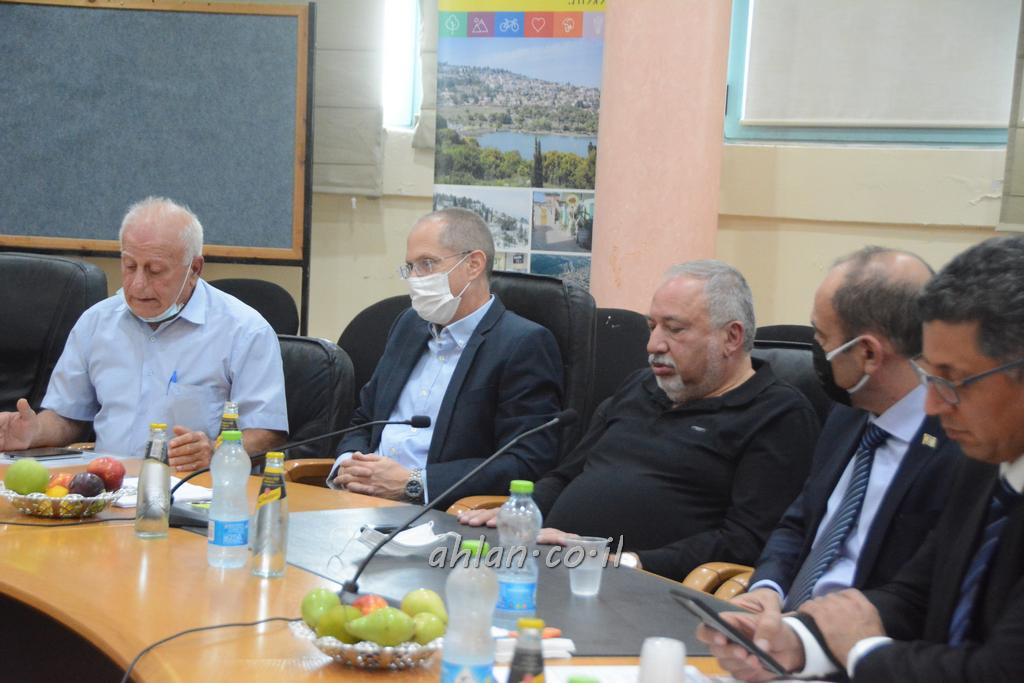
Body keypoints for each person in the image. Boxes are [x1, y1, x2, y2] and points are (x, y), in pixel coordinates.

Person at [702, 235, 1024, 683]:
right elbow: (915, 595)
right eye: (931, 376)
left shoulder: (965, 452)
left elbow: (1001, 670)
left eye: (953, 380)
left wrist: (861, 650)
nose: (933, 404)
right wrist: (797, 642)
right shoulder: (987, 464)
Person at [460, 260, 820, 581]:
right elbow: (567, 475)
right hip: (552, 563)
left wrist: (626, 561)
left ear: (731, 337)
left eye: (674, 329)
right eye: (652, 326)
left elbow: (745, 543)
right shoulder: (641, 386)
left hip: (646, 589)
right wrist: (521, 512)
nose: (653, 345)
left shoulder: (778, 415)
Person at [736, 247, 961, 617]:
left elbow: (920, 599)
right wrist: (767, 587)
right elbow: (799, 521)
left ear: (868, 354)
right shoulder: (847, 413)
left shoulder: (958, 449)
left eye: (822, 336)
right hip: (781, 624)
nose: (817, 349)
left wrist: (809, 633)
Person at [0, 197, 288, 471]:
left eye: (155, 270)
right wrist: (34, 432)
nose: (137, 284)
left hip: (192, 486)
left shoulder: (245, 330)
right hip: (106, 485)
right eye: (129, 266)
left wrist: (215, 452)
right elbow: (68, 417)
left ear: (195, 269)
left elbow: (267, 432)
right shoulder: (96, 322)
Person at [328, 208, 563, 506]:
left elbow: (526, 460)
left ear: (473, 264)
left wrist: (414, 483)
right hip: (360, 500)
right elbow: (365, 417)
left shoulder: (522, 343)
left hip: (439, 511)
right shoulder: (408, 325)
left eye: (427, 264)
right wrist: (349, 464)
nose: (414, 278)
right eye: (410, 266)